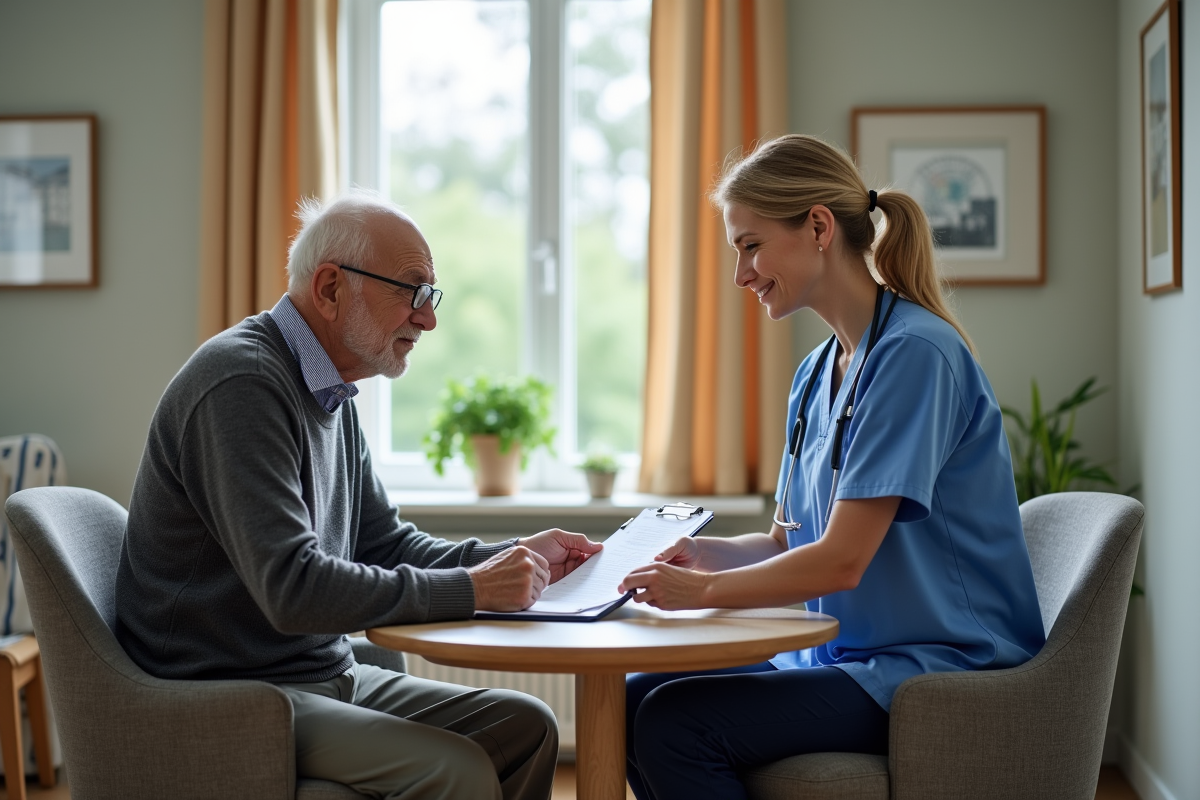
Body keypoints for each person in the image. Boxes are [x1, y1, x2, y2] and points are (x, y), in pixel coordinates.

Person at [115, 194, 603, 800]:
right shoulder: (242, 383)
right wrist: (475, 588)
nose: (427, 319)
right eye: (412, 291)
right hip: (230, 697)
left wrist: (514, 557)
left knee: (526, 726)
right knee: (457, 768)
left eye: (431, 296)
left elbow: (385, 542)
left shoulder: (327, 389)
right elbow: (292, 590)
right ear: (329, 289)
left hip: (316, 677)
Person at [616, 134, 1046, 800]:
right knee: (637, 695)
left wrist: (701, 598)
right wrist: (698, 556)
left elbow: (841, 562)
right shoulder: (816, 372)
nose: (741, 274)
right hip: (847, 658)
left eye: (750, 245)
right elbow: (789, 542)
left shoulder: (915, 356)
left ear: (818, 226)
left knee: (677, 723)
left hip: (938, 668)